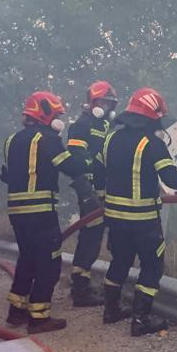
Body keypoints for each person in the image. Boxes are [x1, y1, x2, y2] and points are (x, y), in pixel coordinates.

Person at [1, 91, 98, 333]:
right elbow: (70, 166)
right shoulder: (47, 138)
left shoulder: (12, 139)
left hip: (16, 211)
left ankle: (16, 311)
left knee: (27, 257)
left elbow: (8, 175)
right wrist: (89, 161)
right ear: (44, 114)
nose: (59, 121)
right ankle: (39, 317)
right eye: (57, 115)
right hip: (41, 211)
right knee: (49, 262)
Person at [100, 87, 177, 336]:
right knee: (152, 266)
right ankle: (140, 320)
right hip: (143, 221)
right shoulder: (152, 143)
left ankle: (110, 310)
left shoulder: (110, 139)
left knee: (120, 261)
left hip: (115, 218)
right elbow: (170, 178)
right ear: (153, 116)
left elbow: (99, 171)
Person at [65, 81, 119, 306]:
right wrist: (87, 191)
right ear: (93, 102)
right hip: (89, 190)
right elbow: (77, 158)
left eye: (110, 104)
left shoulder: (106, 124)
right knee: (90, 236)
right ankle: (80, 289)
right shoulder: (82, 125)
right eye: (104, 102)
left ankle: (83, 284)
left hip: (105, 189)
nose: (107, 107)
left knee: (98, 236)